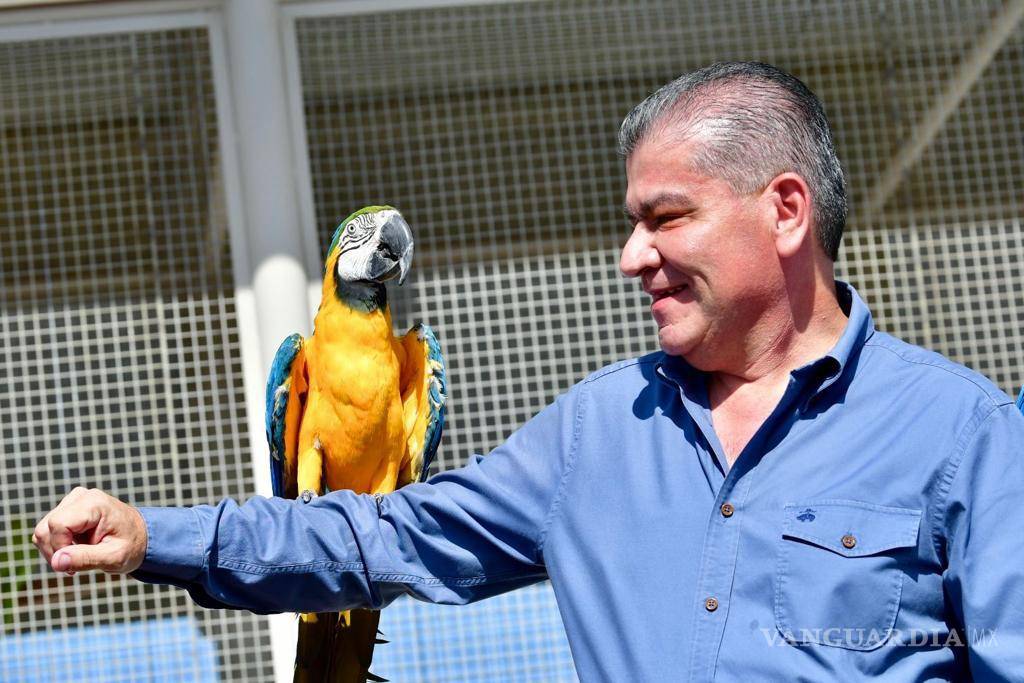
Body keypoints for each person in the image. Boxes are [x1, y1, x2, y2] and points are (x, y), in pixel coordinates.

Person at [33, 62, 1024, 681]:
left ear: (784, 211)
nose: (629, 255)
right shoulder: (597, 431)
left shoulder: (964, 432)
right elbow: (384, 530)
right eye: (629, 223)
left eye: (664, 217)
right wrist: (151, 534)